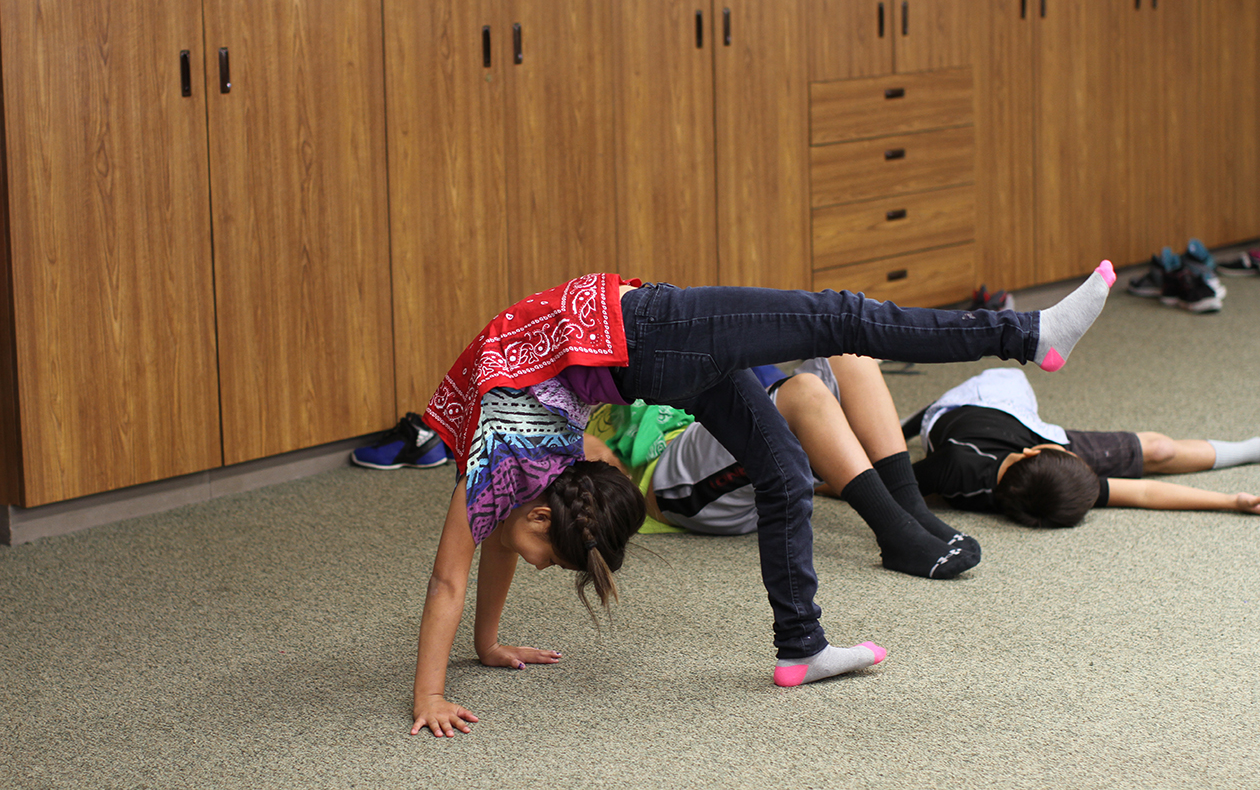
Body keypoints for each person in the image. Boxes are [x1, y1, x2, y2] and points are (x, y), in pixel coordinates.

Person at [411, 263, 1116, 737]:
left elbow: (453, 575)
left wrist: (428, 697)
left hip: (657, 331)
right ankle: (800, 647)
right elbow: (494, 541)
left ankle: (1027, 335)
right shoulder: (517, 484)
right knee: (782, 469)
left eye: (549, 556)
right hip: (646, 354)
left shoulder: (508, 469)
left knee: (839, 318)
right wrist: (485, 645)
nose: (539, 564)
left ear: (539, 513)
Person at [604, 355, 979, 580]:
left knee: (849, 355)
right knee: (802, 394)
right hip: (671, 485)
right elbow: (599, 474)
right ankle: (896, 534)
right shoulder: (565, 398)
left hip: (704, 437)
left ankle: (908, 505)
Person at [904, 367, 1260, 527]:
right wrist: (1232, 502)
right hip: (1011, 411)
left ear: (1034, 452)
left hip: (982, 408)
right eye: (1069, 453)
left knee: (1161, 451)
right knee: (1161, 450)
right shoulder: (1050, 492)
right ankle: (1248, 448)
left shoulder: (953, 465)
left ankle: (1249, 449)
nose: (1072, 451)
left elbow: (889, 479)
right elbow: (1145, 494)